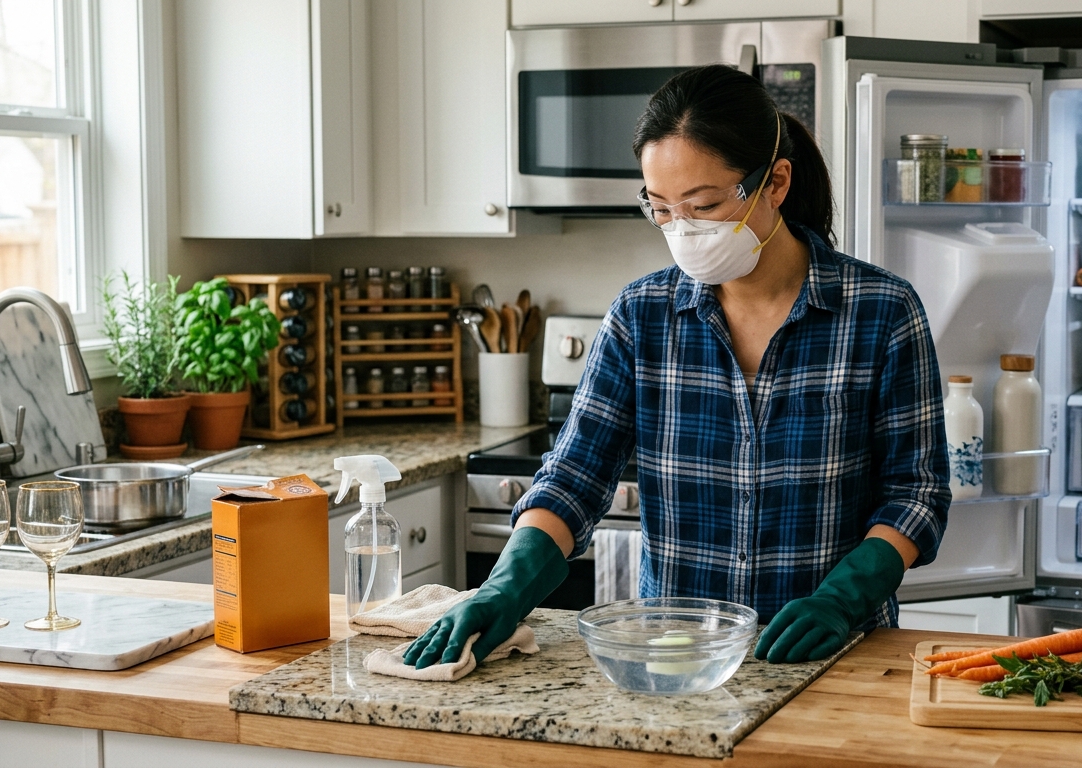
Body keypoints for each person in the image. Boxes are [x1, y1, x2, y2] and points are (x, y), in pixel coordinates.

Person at [405, 64, 950, 669]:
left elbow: (916, 493)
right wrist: (503, 589)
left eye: (703, 204)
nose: (681, 230)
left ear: (775, 182)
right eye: (661, 208)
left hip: (839, 652)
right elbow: (574, 476)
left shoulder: (881, 311)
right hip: (680, 660)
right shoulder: (642, 315)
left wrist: (842, 599)